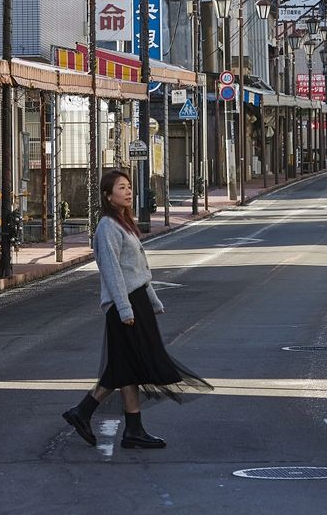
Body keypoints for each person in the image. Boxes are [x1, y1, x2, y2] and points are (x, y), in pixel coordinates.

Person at [63, 168, 211, 450]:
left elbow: (137, 270)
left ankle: (131, 429)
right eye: (121, 188)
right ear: (108, 195)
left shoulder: (122, 223)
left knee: (126, 367)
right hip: (126, 305)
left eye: (129, 186)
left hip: (136, 301)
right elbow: (113, 272)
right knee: (127, 365)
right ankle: (83, 412)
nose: (128, 191)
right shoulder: (107, 226)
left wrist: (152, 300)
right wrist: (125, 309)